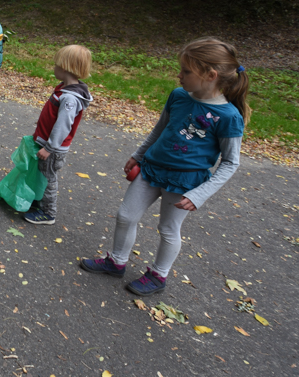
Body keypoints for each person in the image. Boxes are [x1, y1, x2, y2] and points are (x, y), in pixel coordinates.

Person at [80, 37, 249, 296]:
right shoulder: (179, 95)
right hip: (151, 168)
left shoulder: (228, 117)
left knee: (168, 229)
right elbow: (160, 128)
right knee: (126, 216)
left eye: (186, 71)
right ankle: (116, 261)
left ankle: (158, 276)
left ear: (210, 75)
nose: (178, 75)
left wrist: (199, 194)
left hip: (185, 182)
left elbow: (230, 163)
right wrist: (139, 154)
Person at [23, 45, 93, 225]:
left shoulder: (70, 98)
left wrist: (49, 147)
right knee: (42, 174)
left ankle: (48, 213)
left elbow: (63, 125)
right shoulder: (64, 88)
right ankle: (39, 203)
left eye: (56, 65)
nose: (53, 68)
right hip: (48, 145)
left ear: (65, 67)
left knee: (48, 179)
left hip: (53, 149)